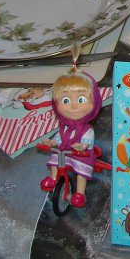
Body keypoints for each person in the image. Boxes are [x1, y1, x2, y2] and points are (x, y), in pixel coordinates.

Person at [39, 66, 102, 208]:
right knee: (54, 160)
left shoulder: (87, 129)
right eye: (66, 101)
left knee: (81, 172)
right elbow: (58, 139)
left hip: (81, 155)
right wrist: (51, 143)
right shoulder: (64, 127)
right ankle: (53, 179)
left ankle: (80, 193)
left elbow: (87, 142)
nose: (73, 106)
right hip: (65, 152)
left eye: (81, 100)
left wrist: (82, 146)